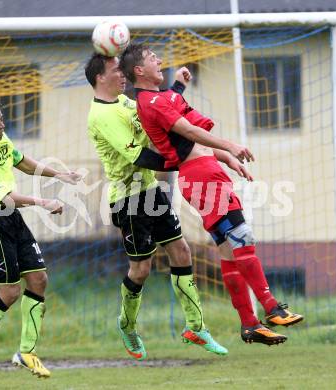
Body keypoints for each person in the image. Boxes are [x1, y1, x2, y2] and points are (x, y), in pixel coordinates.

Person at [119, 44, 303, 346]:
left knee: (229, 249)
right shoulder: (151, 100)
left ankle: (249, 325)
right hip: (204, 179)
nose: (159, 61)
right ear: (139, 70)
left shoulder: (159, 97)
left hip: (204, 174)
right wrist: (229, 145)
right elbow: (189, 132)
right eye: (153, 59)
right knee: (242, 236)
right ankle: (271, 307)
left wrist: (224, 156)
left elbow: (189, 135)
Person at [85, 53, 228, 360]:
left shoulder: (125, 103)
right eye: (115, 70)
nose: (122, 74)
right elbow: (139, 157)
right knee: (141, 269)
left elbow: (159, 109)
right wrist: (185, 160)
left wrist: (177, 87)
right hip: (129, 199)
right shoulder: (101, 116)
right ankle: (127, 325)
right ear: (100, 77)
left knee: (181, 252)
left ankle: (196, 327)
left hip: (151, 191)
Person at [0, 97, 81, 379]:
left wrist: (59, 175)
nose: (2, 125)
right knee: (9, 292)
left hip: (10, 218)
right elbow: (6, 198)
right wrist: (43, 202)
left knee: (39, 279)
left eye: (1, 119)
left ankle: (27, 352)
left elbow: (20, 161)